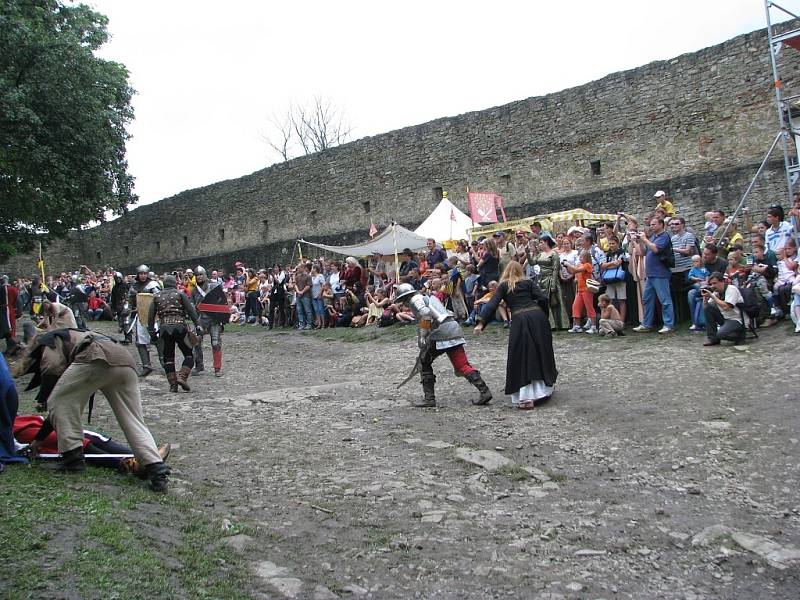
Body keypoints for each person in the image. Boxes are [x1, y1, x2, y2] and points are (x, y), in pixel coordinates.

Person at [12, 329, 171, 491]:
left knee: (57, 402)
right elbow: (61, 410)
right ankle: (156, 469)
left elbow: (52, 369)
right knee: (133, 419)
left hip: (95, 355)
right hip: (124, 359)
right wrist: (39, 440)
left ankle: (72, 458)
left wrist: (45, 395)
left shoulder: (49, 341)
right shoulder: (75, 334)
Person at [473, 262, 557, 409]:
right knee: (540, 352)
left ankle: (526, 396)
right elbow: (543, 299)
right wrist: (543, 314)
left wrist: (481, 323)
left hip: (520, 320)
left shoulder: (504, 286)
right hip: (537, 318)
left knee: (522, 354)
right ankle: (543, 390)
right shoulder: (528, 282)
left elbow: (493, 303)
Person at [394, 283, 492, 408]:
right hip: (452, 328)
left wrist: (423, 336)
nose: (404, 303)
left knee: (424, 361)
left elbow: (425, 314)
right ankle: (484, 391)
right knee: (462, 366)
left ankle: (429, 399)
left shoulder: (415, 299)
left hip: (441, 332)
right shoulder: (428, 297)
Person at [147, 274, 201, 393]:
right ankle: (182, 377)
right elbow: (191, 312)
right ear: (174, 284)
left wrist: (152, 333)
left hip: (164, 329)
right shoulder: (180, 294)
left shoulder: (156, 297)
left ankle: (173, 385)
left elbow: (150, 318)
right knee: (188, 354)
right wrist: (198, 325)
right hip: (180, 328)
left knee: (168, 358)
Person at [632, 217, 675, 334]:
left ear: (661, 225)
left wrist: (644, 239)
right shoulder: (652, 238)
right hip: (650, 274)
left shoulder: (664, 237)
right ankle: (647, 324)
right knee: (647, 299)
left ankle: (669, 325)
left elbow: (656, 249)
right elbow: (642, 252)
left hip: (660, 273)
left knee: (665, 300)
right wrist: (638, 241)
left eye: (654, 224)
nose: (651, 226)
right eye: (650, 224)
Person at [190, 266, 227, 377]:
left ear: (205, 275)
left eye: (201, 274)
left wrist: (222, 320)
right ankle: (199, 365)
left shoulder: (213, 286)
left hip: (214, 319)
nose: (199, 277)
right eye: (197, 275)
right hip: (201, 319)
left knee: (216, 344)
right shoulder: (194, 290)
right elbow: (191, 305)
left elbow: (222, 303)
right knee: (196, 342)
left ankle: (217, 368)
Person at [127, 265, 161, 377]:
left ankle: (165, 363)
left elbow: (159, 298)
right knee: (140, 342)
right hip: (140, 317)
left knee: (157, 339)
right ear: (138, 275)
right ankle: (146, 366)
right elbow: (130, 301)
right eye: (141, 274)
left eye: (144, 273)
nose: (142, 276)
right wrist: (129, 309)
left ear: (147, 274)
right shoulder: (134, 286)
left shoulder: (153, 285)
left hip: (153, 316)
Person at [529, 236, 568, 330]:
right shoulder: (540, 254)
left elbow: (555, 269)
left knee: (555, 301)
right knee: (544, 302)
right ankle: (549, 323)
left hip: (551, 279)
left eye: (541, 242)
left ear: (546, 242)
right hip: (541, 280)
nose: (540, 244)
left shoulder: (554, 254)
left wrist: (553, 284)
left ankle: (560, 323)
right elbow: (532, 263)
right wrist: (527, 253)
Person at [701, 272, 745, 346]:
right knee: (708, 309)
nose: (713, 286)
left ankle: (740, 336)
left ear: (722, 281)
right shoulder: (716, 292)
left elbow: (726, 307)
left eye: (715, 283)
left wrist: (712, 296)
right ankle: (713, 339)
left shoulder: (731, 289)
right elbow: (706, 307)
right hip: (725, 318)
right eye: (711, 284)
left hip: (737, 319)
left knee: (721, 334)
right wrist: (705, 297)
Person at [565, 251, 597, 334]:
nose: (580, 259)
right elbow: (572, 272)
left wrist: (568, 264)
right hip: (580, 290)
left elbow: (575, 269)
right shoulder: (580, 265)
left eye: (581, 257)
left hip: (587, 290)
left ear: (586, 258)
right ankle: (577, 326)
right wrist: (566, 266)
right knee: (575, 306)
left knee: (589, 307)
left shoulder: (587, 265)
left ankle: (593, 327)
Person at [0, 275, 20, 355]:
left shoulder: (2, 289)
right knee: (7, 329)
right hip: (10, 310)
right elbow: (18, 301)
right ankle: (11, 347)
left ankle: (13, 346)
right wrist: (18, 312)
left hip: (4, 311)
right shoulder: (14, 289)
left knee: (7, 329)